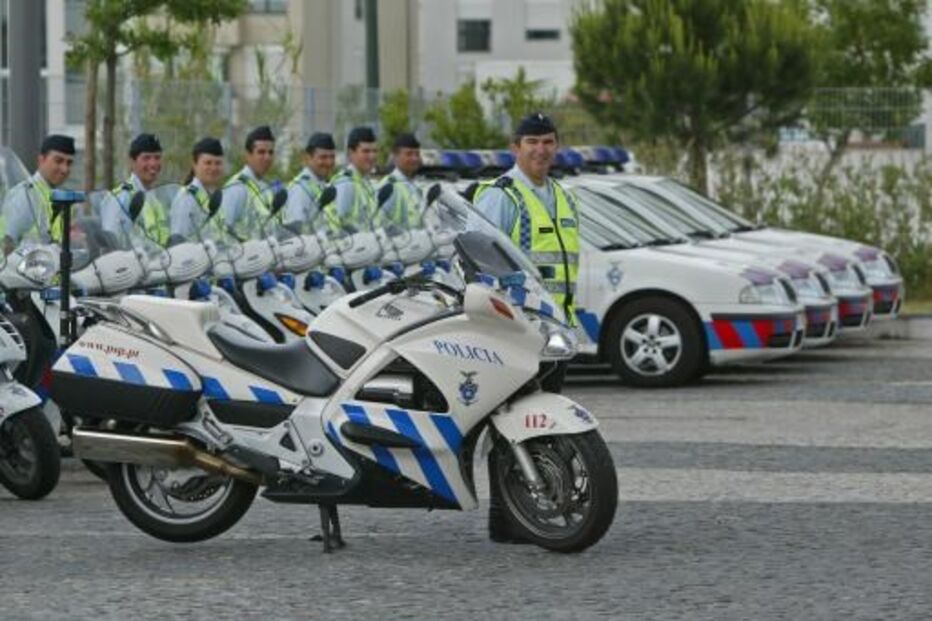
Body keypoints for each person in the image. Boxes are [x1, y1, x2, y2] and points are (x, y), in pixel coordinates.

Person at [474, 112, 580, 544]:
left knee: (543, 424)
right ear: (514, 147)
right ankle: (506, 517)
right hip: (515, 331)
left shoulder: (561, 195)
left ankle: (531, 507)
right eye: (532, 141)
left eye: (548, 141)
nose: (541, 149)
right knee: (510, 424)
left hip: (553, 332)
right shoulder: (503, 196)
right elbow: (477, 258)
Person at [1, 134, 75, 254]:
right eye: (58, 161)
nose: (65, 169)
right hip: (23, 271)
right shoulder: (26, 195)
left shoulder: (59, 197)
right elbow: (7, 245)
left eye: (69, 163)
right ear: (41, 160)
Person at [99, 133, 168, 245]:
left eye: (157, 157)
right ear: (132, 161)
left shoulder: (154, 197)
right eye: (146, 158)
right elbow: (112, 243)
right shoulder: (121, 197)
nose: (153, 163)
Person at [221, 125, 276, 240]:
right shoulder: (237, 188)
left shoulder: (267, 188)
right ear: (248, 155)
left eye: (270, 152)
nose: (267, 157)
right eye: (261, 152)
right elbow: (222, 232)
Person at [169, 137, 225, 243]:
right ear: (195, 165)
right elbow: (178, 242)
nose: (213, 168)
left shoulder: (213, 195)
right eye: (208, 163)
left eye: (218, 163)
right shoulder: (187, 198)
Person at [284, 132, 336, 234]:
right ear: (308, 158)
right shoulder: (300, 189)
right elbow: (296, 233)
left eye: (332, 157)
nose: (329, 162)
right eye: (323, 157)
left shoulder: (323, 185)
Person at [331, 126, 378, 232]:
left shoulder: (365, 182)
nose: (372, 156)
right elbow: (339, 226)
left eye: (375, 151)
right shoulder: (345, 183)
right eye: (366, 151)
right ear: (350, 153)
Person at [377, 132, 424, 228]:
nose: (414, 158)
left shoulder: (416, 187)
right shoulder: (388, 187)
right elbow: (380, 225)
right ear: (395, 156)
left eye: (417, 154)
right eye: (409, 154)